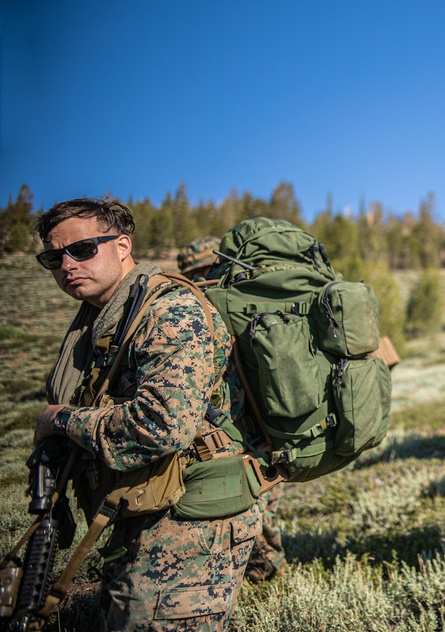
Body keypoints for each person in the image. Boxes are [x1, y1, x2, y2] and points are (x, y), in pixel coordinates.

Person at [33, 199, 261, 629]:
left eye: (81, 249)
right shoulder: (107, 317)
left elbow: (159, 426)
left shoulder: (169, 312)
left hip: (189, 517)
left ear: (122, 246)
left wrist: (61, 419)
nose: (66, 264)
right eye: (53, 257)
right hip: (143, 506)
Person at [177, 236, 288, 585]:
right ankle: (264, 566)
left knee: (250, 502)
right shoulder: (243, 301)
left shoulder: (204, 308)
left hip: (234, 429)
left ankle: (262, 568)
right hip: (263, 423)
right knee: (261, 499)